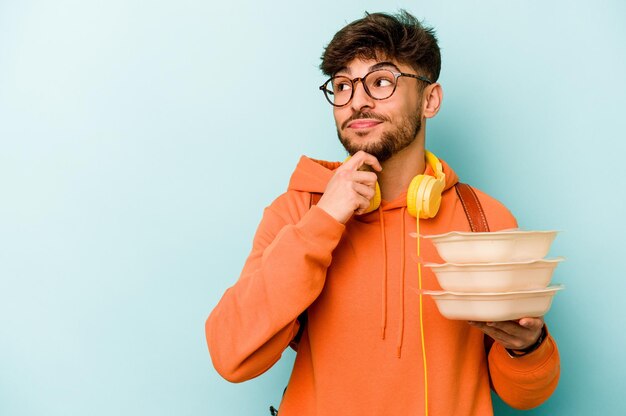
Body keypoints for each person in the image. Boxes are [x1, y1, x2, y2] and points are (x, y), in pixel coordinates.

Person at [205, 10, 560, 415]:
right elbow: (230, 355)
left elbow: (526, 395)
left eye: (381, 82)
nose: (357, 101)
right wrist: (324, 221)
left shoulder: (486, 220)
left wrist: (528, 347)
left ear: (429, 100)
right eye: (342, 86)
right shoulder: (298, 212)